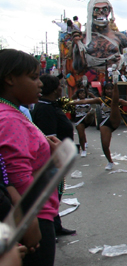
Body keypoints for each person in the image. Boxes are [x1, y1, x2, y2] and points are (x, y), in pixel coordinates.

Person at [0, 49, 64, 266]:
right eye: (34, 77)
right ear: (10, 79)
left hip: (28, 219)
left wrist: (47, 149)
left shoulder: (11, 114)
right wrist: (34, 225)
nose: (40, 84)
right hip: (32, 221)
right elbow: (17, 175)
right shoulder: (8, 118)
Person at [30, 74, 76, 237]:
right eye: (58, 85)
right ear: (53, 88)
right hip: (52, 160)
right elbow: (49, 138)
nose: (61, 87)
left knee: (56, 192)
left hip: (58, 159)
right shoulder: (45, 109)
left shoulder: (49, 105)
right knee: (51, 193)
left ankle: (55, 226)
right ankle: (49, 229)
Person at [71, 82, 127, 170]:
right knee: (105, 145)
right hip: (105, 123)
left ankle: (115, 85)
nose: (109, 91)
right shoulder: (100, 100)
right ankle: (110, 161)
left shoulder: (118, 100)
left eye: (111, 89)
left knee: (114, 103)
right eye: (107, 89)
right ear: (104, 90)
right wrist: (68, 103)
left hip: (115, 120)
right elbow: (85, 101)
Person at [69, 86, 94, 157]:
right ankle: (83, 149)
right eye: (80, 93)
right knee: (81, 135)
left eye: (83, 93)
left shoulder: (88, 100)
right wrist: (75, 94)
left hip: (87, 118)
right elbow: (70, 100)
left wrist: (90, 94)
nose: (82, 95)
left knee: (90, 114)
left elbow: (96, 99)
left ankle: (90, 114)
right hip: (79, 119)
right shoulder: (75, 101)